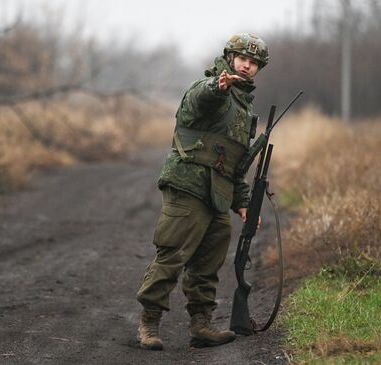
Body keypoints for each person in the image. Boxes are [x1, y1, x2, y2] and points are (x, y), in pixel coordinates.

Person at [136, 33, 269, 350]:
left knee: (208, 264)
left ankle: (202, 325)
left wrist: (243, 203)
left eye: (253, 63)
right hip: (188, 184)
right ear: (230, 57)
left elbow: (235, 163)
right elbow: (198, 101)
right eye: (242, 59)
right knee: (173, 254)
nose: (247, 66)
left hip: (217, 194)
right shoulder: (212, 87)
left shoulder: (243, 109)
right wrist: (218, 86)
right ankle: (149, 324)